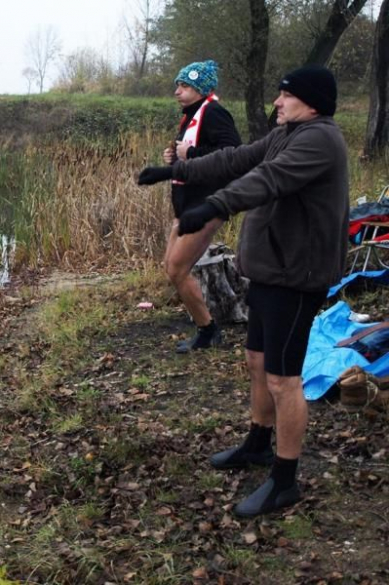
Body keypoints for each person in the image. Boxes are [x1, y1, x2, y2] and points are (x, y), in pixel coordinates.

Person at [138, 66, 349, 516]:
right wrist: (176, 170)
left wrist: (215, 204)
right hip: (272, 269)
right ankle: (257, 443)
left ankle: (285, 479)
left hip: (297, 275)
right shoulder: (287, 132)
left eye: (285, 95)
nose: (276, 101)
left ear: (309, 102)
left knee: (283, 378)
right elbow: (236, 160)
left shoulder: (319, 139)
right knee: (257, 361)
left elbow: (266, 180)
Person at [158, 60, 241, 353]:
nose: (177, 91)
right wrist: (175, 158)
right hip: (187, 206)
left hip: (205, 205)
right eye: (177, 85)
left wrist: (190, 152)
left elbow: (232, 154)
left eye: (184, 86)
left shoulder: (215, 113)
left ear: (202, 89)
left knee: (178, 269)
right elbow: (192, 157)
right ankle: (206, 325)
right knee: (171, 268)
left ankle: (208, 331)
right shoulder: (192, 115)